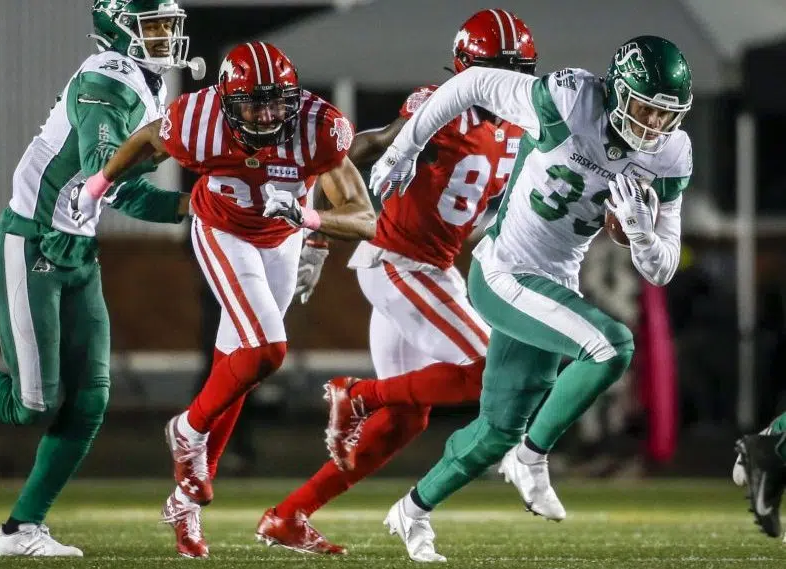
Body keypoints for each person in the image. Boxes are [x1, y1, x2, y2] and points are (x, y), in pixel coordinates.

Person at [369, 35, 693, 561]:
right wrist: (405, 147)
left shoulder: (672, 153)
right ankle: (533, 457)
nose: (653, 127)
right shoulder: (567, 100)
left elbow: (661, 269)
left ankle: (412, 510)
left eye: (665, 115)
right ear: (616, 92)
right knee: (612, 346)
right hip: (505, 272)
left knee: (495, 430)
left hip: (555, 286)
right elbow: (470, 82)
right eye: (643, 109)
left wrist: (640, 234)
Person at [72, 41, 376, 557]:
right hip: (222, 230)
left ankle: (183, 506)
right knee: (267, 351)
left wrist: (311, 223)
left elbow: (364, 216)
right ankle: (187, 429)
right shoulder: (198, 121)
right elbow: (147, 141)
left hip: (281, 237)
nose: (266, 114)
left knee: (238, 370)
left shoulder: (317, 127)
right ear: (226, 101)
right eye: (254, 104)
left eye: (276, 102)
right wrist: (98, 183)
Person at [256, 9, 537, 556]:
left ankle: (289, 515)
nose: (509, 81)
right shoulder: (441, 106)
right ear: (467, 69)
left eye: (518, 69)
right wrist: (315, 232)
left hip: (427, 268)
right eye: (496, 69)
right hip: (402, 263)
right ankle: (356, 396)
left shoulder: (523, 128)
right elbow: (357, 148)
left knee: (406, 420)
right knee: (489, 369)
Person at [0, 0, 196, 556]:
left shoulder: (144, 81)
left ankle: (22, 528)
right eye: (153, 28)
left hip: (76, 249)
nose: (166, 39)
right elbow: (118, 186)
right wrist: (202, 207)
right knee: (30, 403)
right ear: (117, 30)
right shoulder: (108, 84)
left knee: (92, 398)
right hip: (31, 245)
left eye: (170, 26)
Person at [733, 416, 786, 540]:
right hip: (775, 434)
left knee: (740, 476)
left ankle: (769, 451)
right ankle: (771, 451)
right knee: (740, 476)